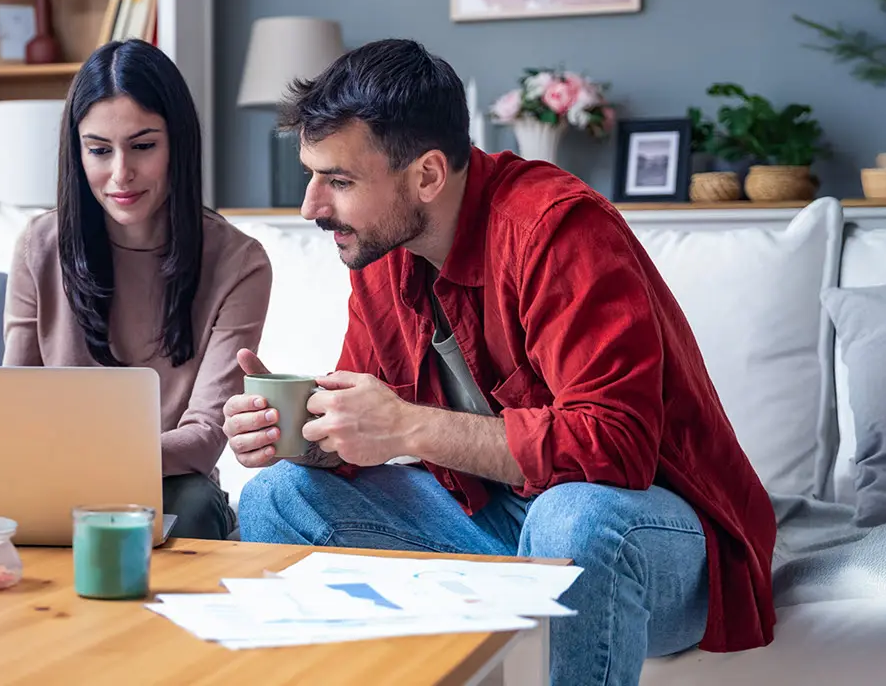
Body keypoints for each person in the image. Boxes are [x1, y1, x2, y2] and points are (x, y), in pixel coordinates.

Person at [221, 39, 776, 684]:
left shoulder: (557, 231)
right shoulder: (380, 250)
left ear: (427, 175)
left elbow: (615, 449)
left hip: (654, 541)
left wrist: (406, 426)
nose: (311, 207)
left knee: (574, 519)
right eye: (313, 175)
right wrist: (299, 433)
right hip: (499, 521)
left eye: (339, 181)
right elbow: (361, 440)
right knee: (278, 496)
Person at [0, 38, 272, 541]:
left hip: (166, 485)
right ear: (77, 151)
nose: (121, 174)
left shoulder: (238, 263)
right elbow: (14, 402)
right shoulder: (40, 246)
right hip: (46, 480)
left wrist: (79, 459)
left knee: (195, 506)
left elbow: (205, 437)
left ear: (177, 144)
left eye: (143, 146)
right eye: (99, 150)